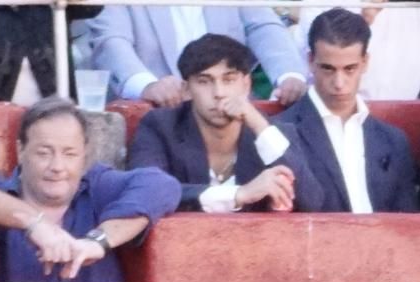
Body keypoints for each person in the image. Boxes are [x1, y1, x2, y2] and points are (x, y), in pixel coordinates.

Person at [0, 96, 180, 282]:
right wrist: (34, 223)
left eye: (69, 154)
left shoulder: (98, 187)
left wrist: (97, 242)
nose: (57, 167)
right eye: (44, 153)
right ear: (21, 150)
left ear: (85, 155)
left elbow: (161, 186)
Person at [243, 9, 417, 213]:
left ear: (365, 63)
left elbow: (408, 218)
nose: (339, 83)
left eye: (349, 69)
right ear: (310, 62)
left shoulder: (393, 139)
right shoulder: (277, 133)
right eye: (328, 68)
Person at [128, 34, 300, 213]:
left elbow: (310, 200)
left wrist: (258, 124)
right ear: (186, 90)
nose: (219, 93)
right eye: (204, 81)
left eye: (229, 80)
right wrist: (239, 194)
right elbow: (146, 189)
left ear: (246, 84)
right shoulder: (161, 126)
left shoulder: (273, 131)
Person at [85, 3, 307, 108]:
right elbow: (110, 42)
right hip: (158, 115)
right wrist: (146, 86)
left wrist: (289, 76)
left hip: (232, 114)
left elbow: (264, 27)